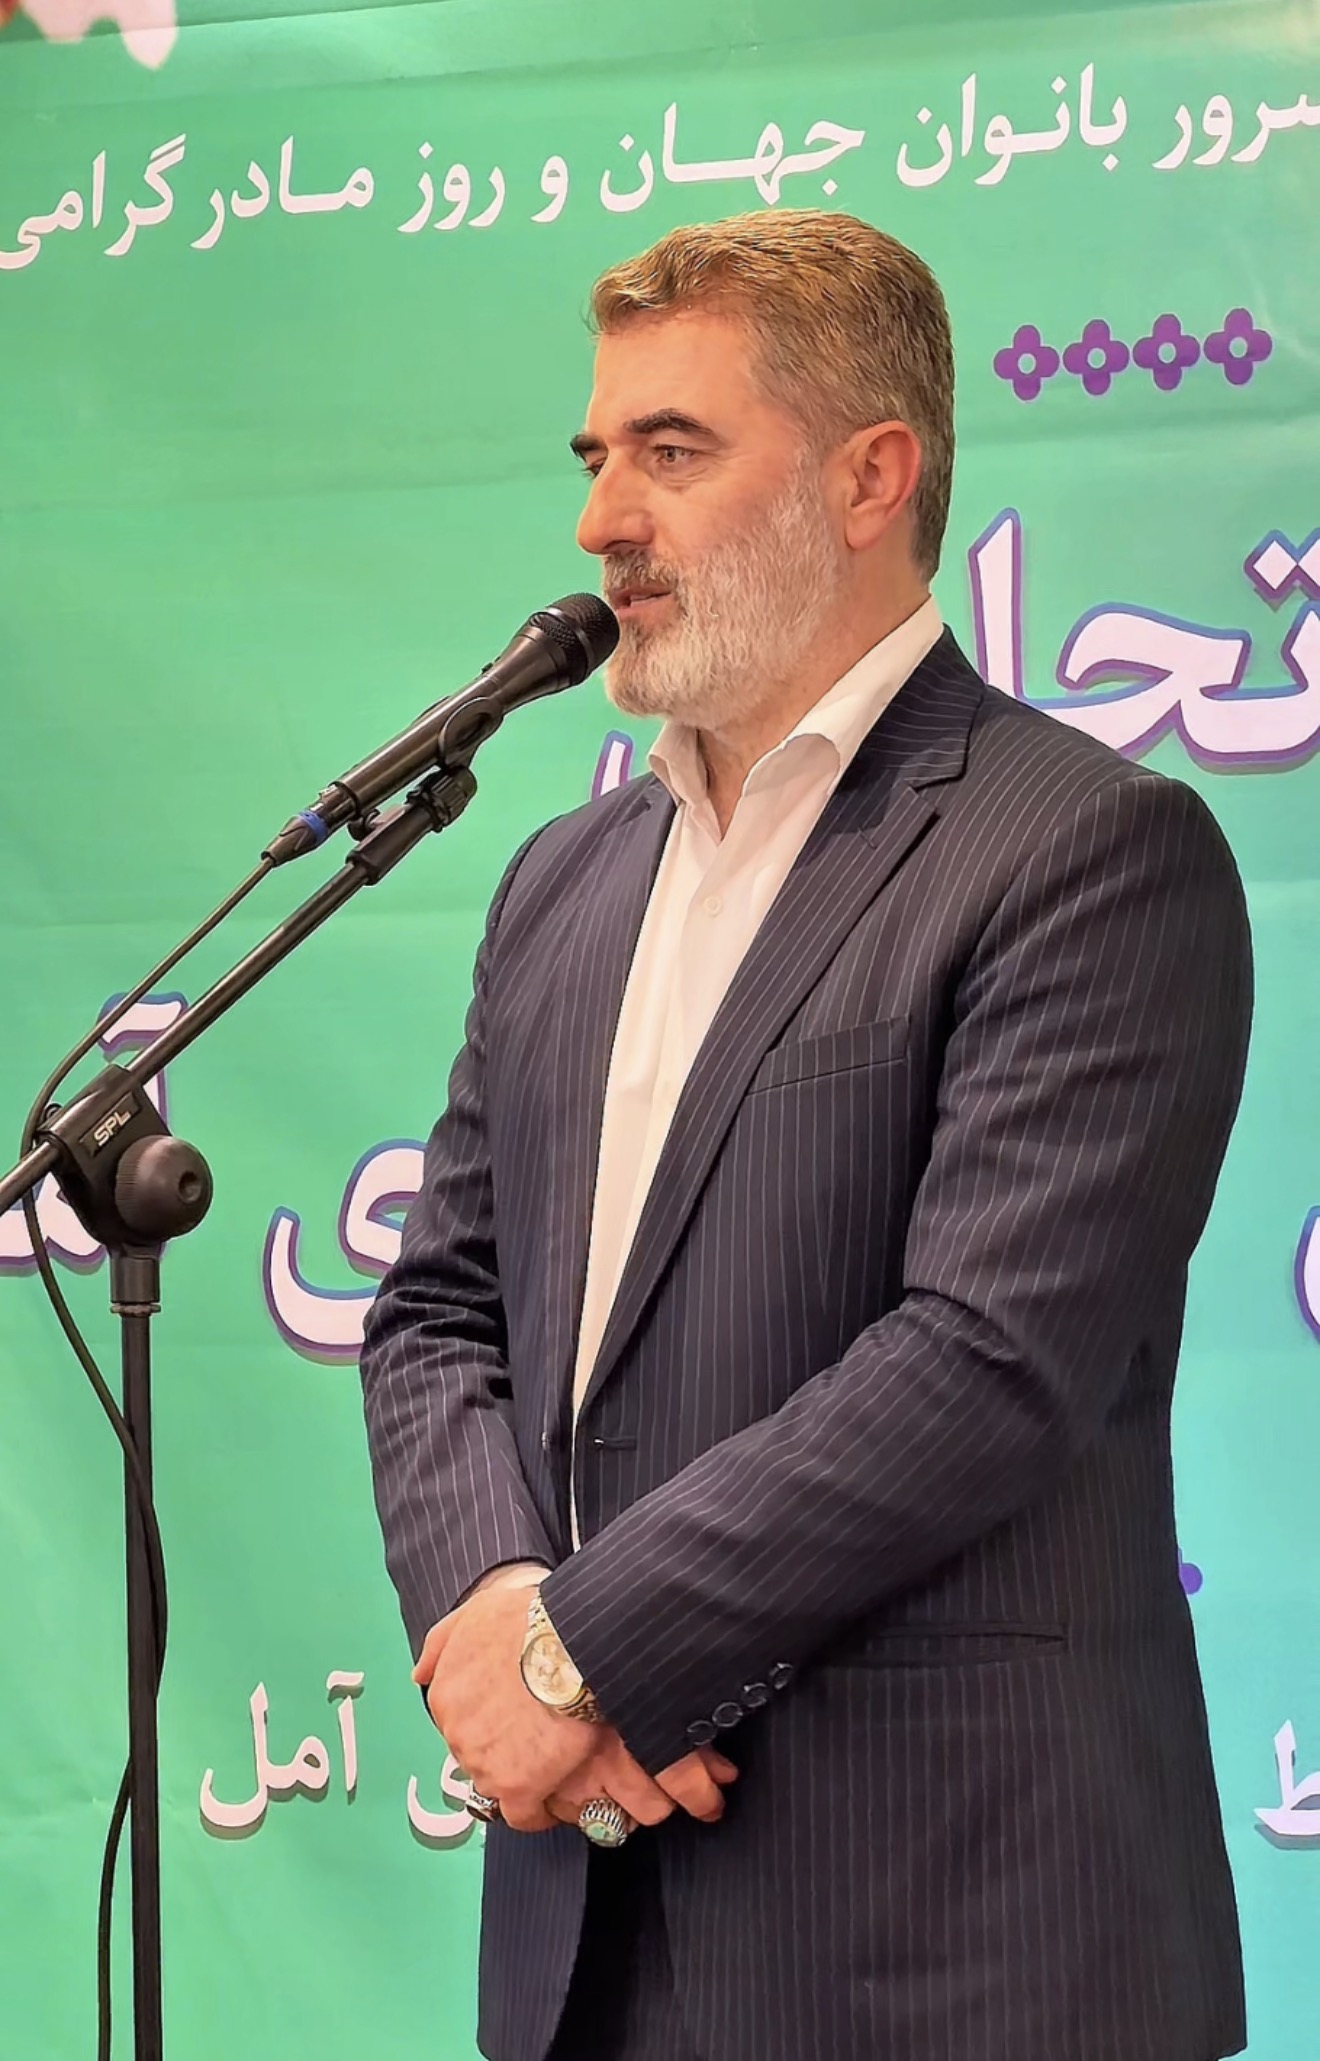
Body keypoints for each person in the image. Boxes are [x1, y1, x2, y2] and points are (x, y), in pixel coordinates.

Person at [359, 210, 1251, 2061]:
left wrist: (579, 1654)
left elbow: (984, 1361)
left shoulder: (1084, 851)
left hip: (948, 1953)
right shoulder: (560, 883)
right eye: (596, 456)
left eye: (671, 451)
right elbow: (440, 1308)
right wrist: (494, 1608)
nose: (602, 519)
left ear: (870, 477)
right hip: (589, 1942)